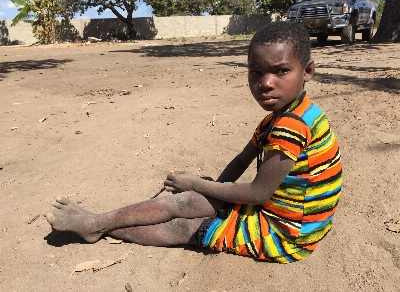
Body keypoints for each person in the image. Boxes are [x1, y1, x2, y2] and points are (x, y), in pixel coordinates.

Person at [44, 21, 342, 263]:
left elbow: (259, 193)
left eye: (281, 71)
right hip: (277, 210)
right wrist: (212, 198)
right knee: (189, 201)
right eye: (256, 72)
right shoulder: (281, 115)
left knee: (185, 225)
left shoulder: (293, 125)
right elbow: (241, 160)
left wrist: (198, 185)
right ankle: (96, 220)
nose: (265, 82)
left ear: (307, 71)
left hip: (288, 232)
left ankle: (97, 227)